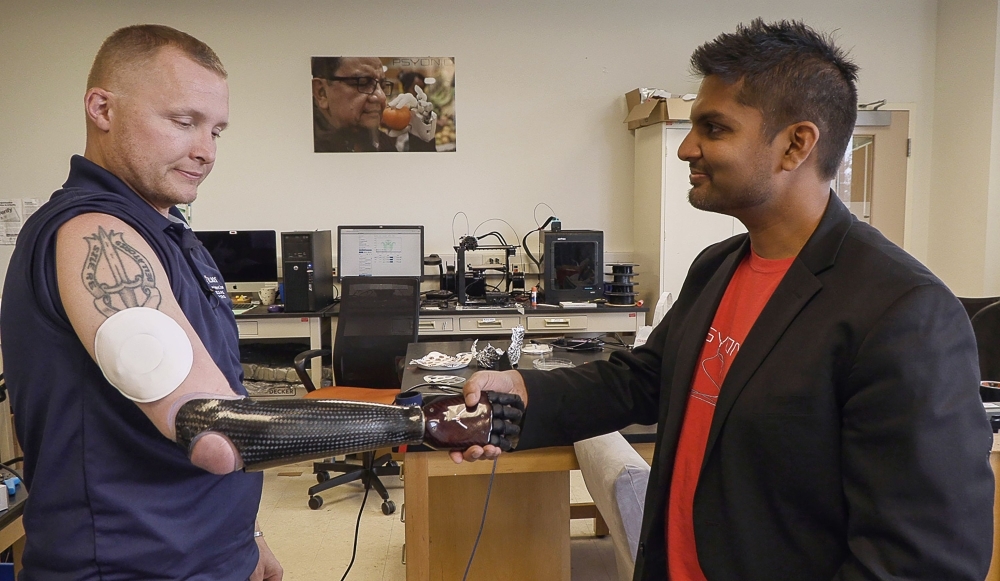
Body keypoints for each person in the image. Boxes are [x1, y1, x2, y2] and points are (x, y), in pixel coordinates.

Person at [455, 19, 995, 581]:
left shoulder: (903, 311)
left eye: (713, 128)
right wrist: (523, 391)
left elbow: (925, 560)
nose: (688, 147)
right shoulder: (720, 263)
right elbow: (646, 378)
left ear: (795, 144)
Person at [0, 25, 522, 580]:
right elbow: (217, 429)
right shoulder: (95, 234)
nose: (205, 151)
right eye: (183, 122)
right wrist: (422, 421)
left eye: (217, 130)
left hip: (209, 550)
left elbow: (221, 387)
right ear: (101, 108)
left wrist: (246, 535)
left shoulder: (169, 233)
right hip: (134, 563)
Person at [311, 56, 437, 152]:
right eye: (363, 83)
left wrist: (420, 137)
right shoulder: (305, 149)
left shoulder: (379, 140)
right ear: (321, 92)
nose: (381, 97)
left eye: (382, 86)